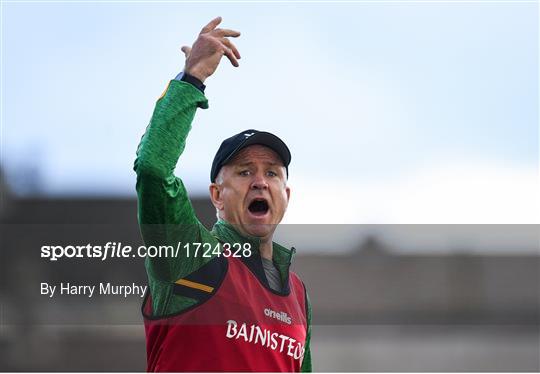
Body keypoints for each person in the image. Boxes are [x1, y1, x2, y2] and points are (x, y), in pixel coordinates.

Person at [134, 17, 312, 372]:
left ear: (286, 195)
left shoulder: (297, 292)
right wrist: (192, 78)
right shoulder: (192, 257)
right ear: (217, 195)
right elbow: (153, 170)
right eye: (245, 171)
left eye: (272, 173)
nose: (260, 181)